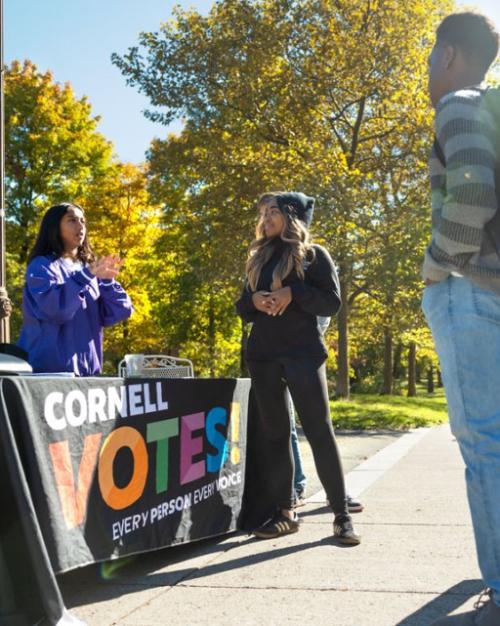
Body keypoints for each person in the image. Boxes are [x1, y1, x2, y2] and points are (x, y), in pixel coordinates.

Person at [422, 13, 500, 626]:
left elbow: (471, 194)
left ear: (448, 54)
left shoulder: (458, 104)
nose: (427, 69)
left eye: (430, 56)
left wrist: (435, 266)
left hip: (472, 291)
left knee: (486, 445)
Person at [236, 191, 360, 545]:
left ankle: (341, 516)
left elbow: (332, 302)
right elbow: (242, 307)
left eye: (273, 211)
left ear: (292, 217)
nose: (266, 217)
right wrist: (254, 301)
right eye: (263, 212)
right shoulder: (258, 257)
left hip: (303, 353)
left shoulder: (313, 255)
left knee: (319, 430)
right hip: (262, 355)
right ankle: (285, 512)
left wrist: (293, 293)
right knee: (276, 434)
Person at [18, 202, 133, 376]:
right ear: (54, 227)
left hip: (88, 375)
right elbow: (57, 310)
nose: (80, 226)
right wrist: (84, 277)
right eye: (72, 220)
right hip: (49, 374)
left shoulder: (88, 270)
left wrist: (108, 283)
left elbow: (120, 312)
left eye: (83, 221)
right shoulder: (41, 266)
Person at [291, 315, 364, 514]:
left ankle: (336, 495)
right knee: (284, 427)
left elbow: (327, 303)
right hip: (270, 351)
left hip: (306, 349)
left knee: (320, 429)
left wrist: (308, 334)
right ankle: (294, 489)